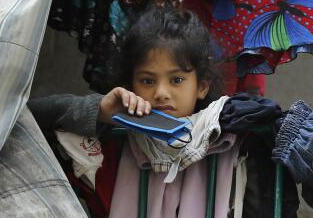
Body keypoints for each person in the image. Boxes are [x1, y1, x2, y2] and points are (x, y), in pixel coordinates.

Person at [29, 7, 222, 136]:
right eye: (147, 81)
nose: (161, 93)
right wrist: (99, 110)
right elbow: (26, 114)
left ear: (202, 87)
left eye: (177, 79)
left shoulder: (221, 134)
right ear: (130, 85)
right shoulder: (115, 127)